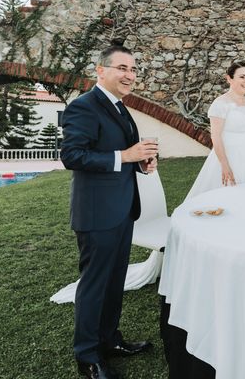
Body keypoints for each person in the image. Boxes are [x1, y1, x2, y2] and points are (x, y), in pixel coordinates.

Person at [61, 45, 158, 379]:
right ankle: (87, 357)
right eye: (122, 68)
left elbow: (122, 153)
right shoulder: (84, 107)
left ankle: (109, 340)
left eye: (133, 69)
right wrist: (125, 157)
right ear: (100, 70)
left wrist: (141, 163)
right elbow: (72, 155)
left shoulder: (119, 107)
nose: (129, 75)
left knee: (115, 282)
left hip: (122, 210)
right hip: (97, 214)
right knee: (94, 285)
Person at [186, 61, 245, 199]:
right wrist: (225, 165)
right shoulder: (221, 103)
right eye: (242, 77)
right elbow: (215, 137)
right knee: (227, 198)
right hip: (229, 158)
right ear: (229, 78)